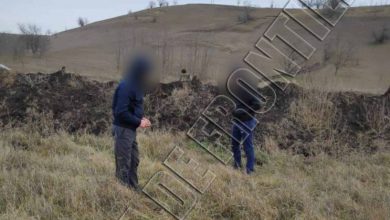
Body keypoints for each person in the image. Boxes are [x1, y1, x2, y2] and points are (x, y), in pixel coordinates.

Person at [112, 55, 152, 190]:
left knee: (134, 160)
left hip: (131, 129)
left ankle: (133, 189)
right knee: (124, 163)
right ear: (139, 71)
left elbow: (133, 107)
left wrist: (141, 118)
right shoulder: (126, 86)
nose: (147, 74)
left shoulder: (136, 85)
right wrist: (138, 122)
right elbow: (120, 112)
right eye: (145, 71)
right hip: (123, 129)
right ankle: (121, 194)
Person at [231, 91, 261, 175]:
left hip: (247, 122)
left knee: (247, 146)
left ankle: (249, 170)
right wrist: (233, 111)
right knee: (234, 144)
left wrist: (244, 111)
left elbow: (258, 104)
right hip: (237, 122)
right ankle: (237, 165)